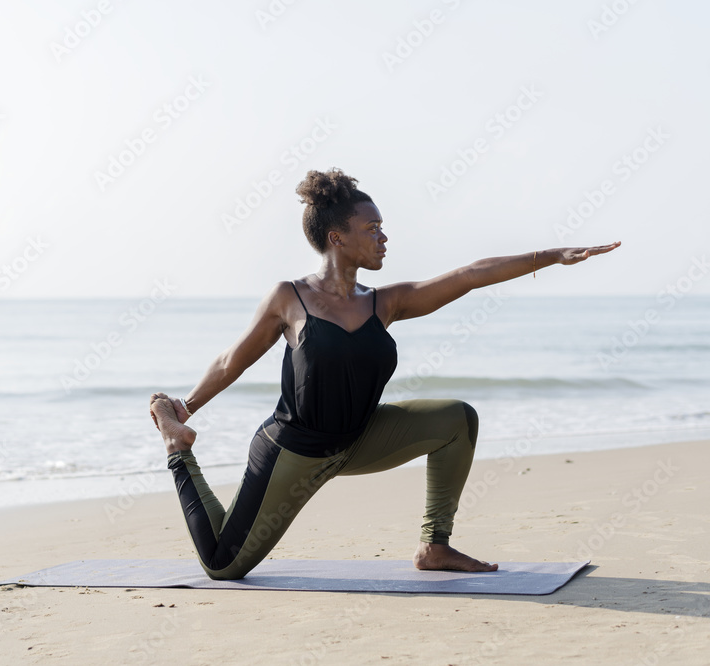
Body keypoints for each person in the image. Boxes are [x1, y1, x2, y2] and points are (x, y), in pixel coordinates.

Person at [148, 167, 620, 581]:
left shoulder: (385, 302)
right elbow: (234, 360)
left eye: (382, 228)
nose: (383, 237)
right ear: (337, 238)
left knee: (457, 419)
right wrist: (184, 408)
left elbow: (471, 274)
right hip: (293, 453)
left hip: (360, 439)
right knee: (222, 565)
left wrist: (552, 255)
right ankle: (177, 448)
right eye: (372, 228)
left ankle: (434, 546)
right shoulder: (289, 298)